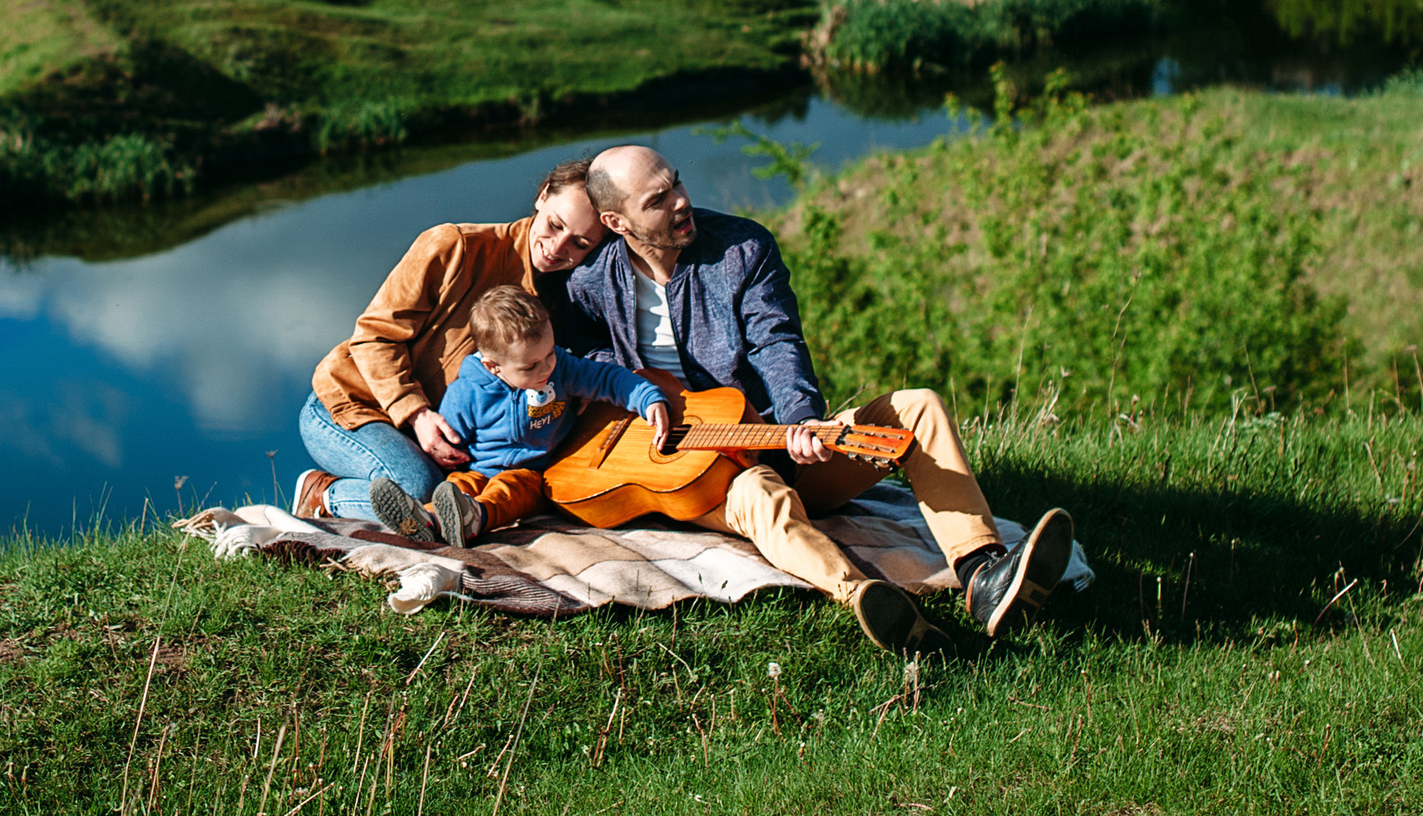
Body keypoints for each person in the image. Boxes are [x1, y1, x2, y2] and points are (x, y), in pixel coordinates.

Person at [558, 143, 1075, 652]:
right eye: (656, 200)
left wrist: (802, 420)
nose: (679, 202)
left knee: (918, 407)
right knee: (760, 495)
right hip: (699, 474)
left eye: (676, 183)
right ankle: (870, 599)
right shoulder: (591, 280)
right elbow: (580, 349)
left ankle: (983, 573)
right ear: (617, 222)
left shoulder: (741, 249)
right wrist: (636, 390)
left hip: (774, 437)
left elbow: (775, 340)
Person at [292, 158, 608, 523]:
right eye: (555, 225)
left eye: (580, 243)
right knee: (417, 489)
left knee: (473, 496)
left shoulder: (564, 295)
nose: (557, 247)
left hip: (439, 438)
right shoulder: (454, 246)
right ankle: (323, 494)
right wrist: (418, 414)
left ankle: (428, 518)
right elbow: (373, 336)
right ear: (541, 196)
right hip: (351, 405)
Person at [367, 284, 673, 546]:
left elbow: (608, 379)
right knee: (458, 486)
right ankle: (425, 521)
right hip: (480, 468)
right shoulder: (468, 392)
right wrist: (448, 456)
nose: (545, 368)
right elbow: (451, 438)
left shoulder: (563, 369)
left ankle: (476, 519)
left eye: (550, 353)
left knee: (511, 491)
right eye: (530, 366)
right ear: (492, 366)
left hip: (534, 471)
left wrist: (648, 399)